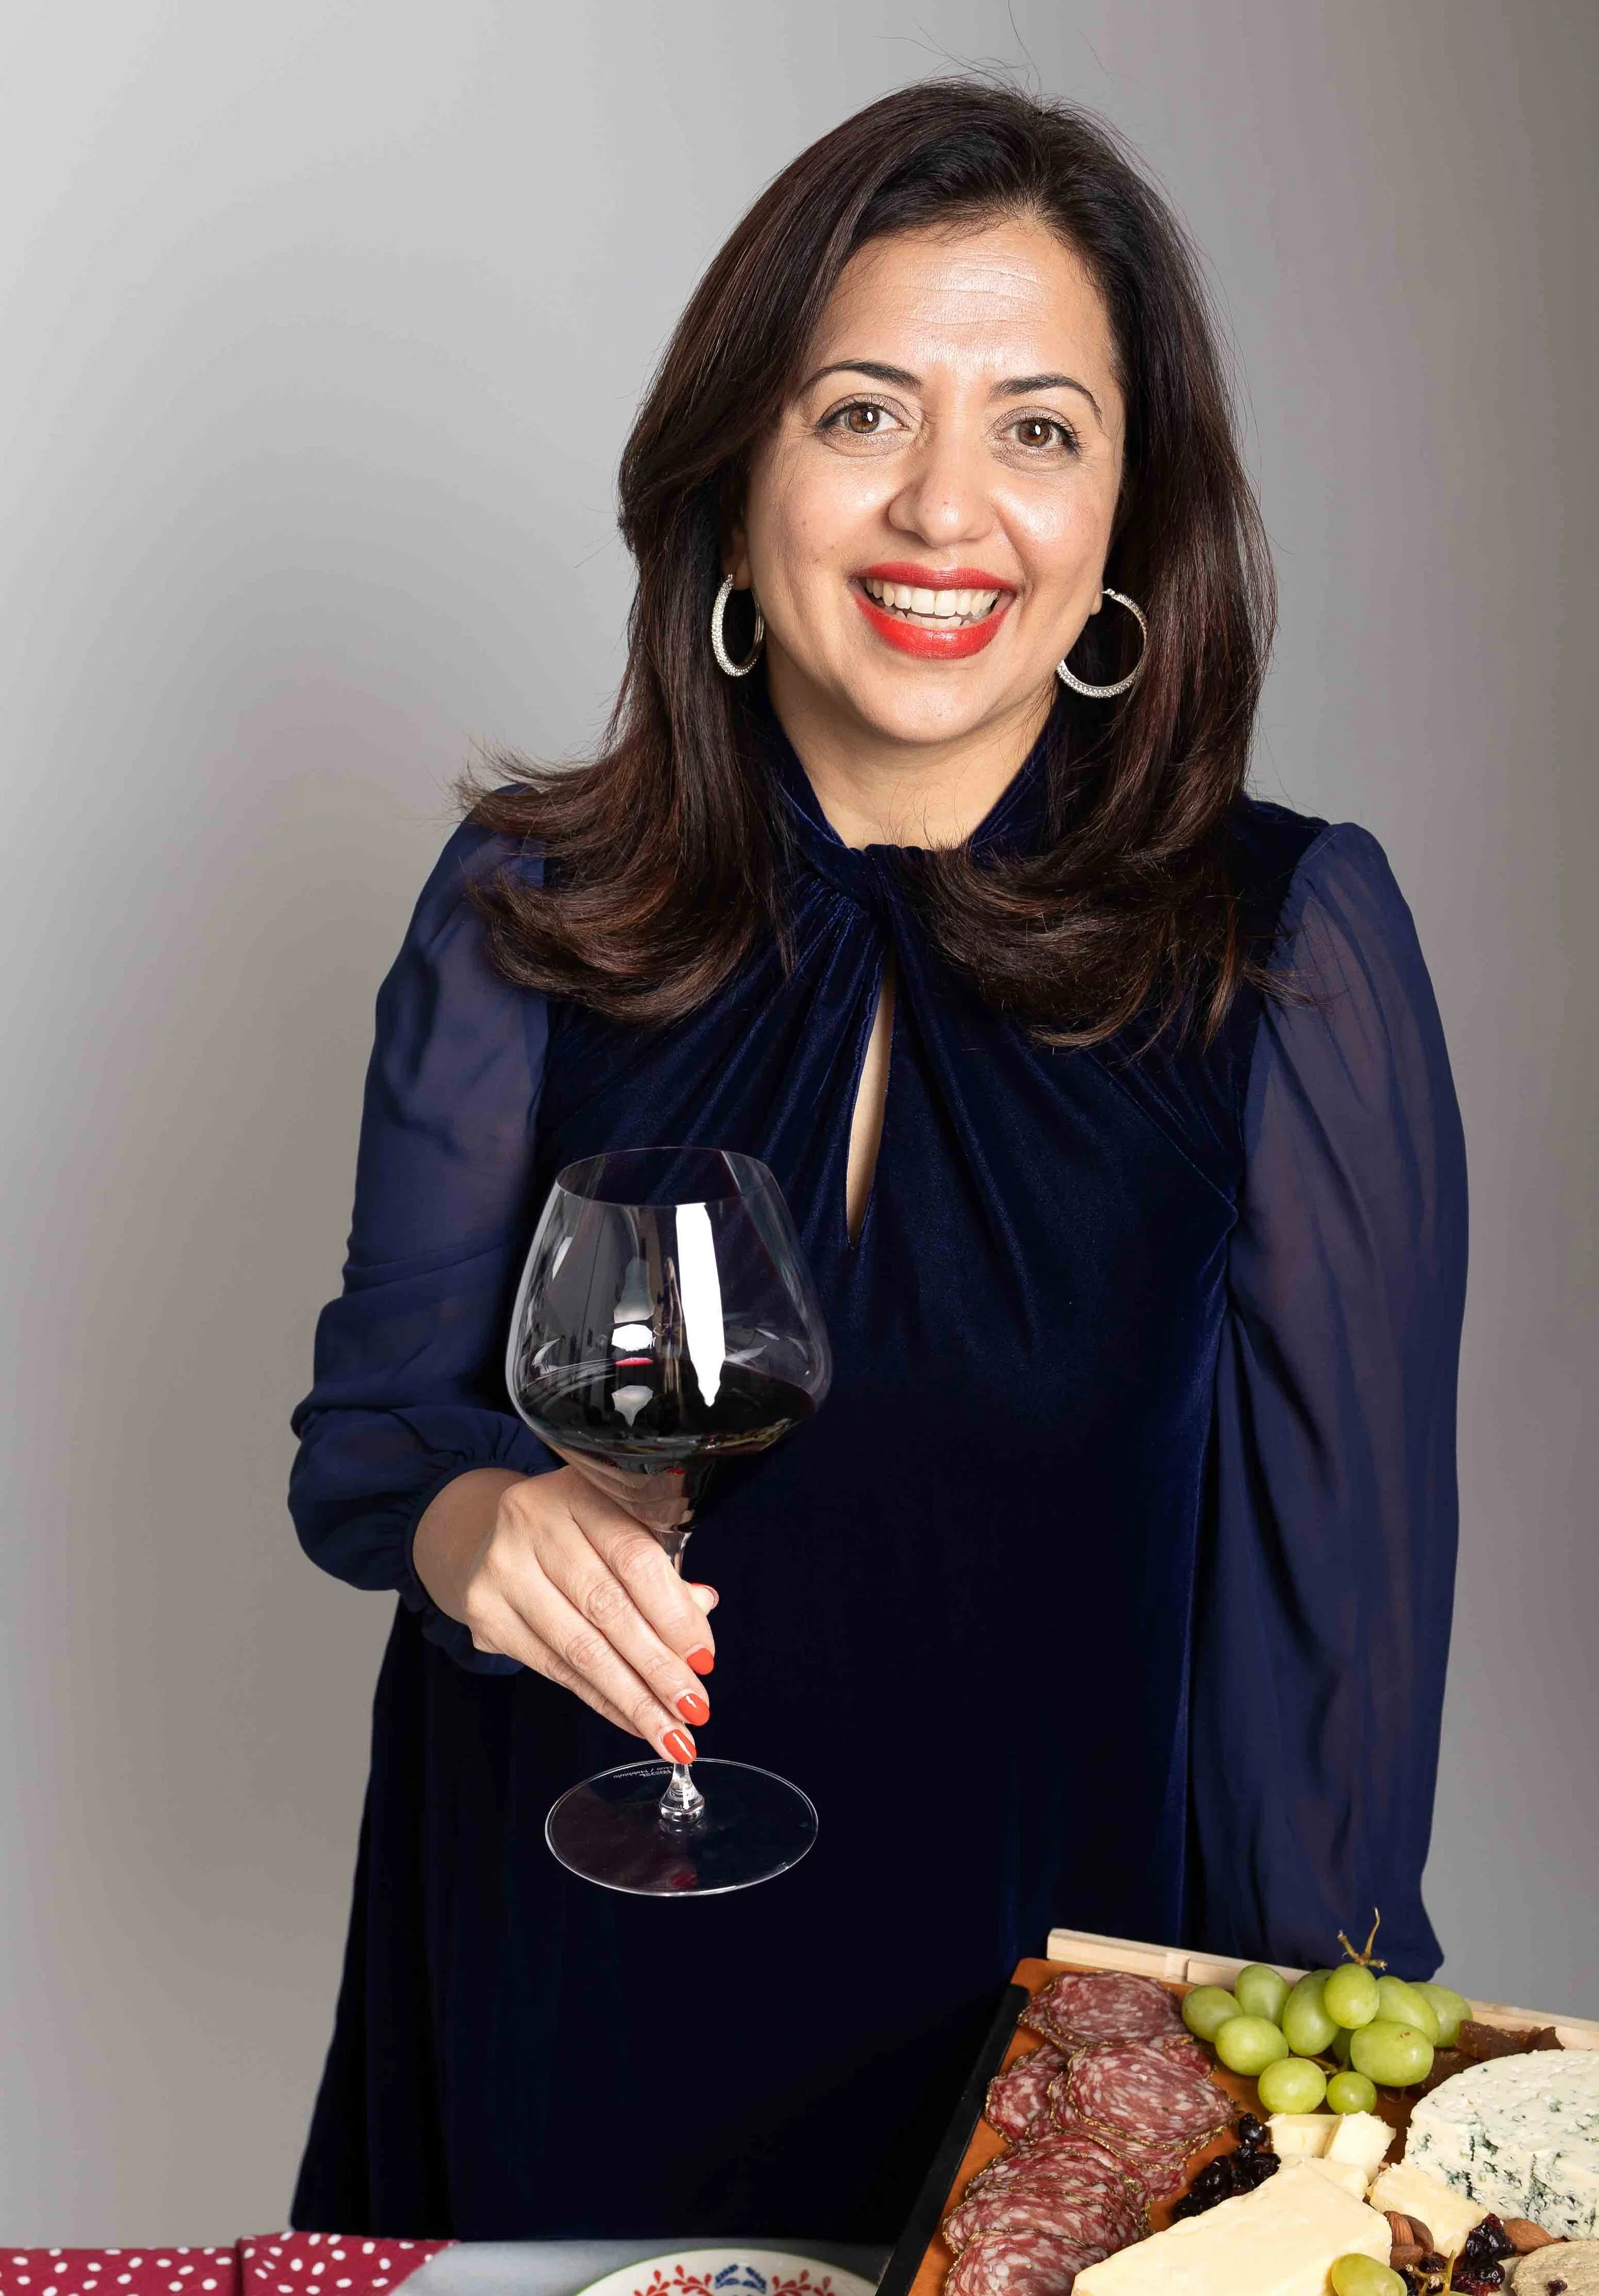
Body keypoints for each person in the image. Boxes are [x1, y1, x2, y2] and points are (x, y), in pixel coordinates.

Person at [287, 79, 1467, 2239]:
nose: (947, 510)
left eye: (1037, 428)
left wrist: (1308, 2153)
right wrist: (475, 1526)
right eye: (858, 414)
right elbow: (370, 1446)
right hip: (564, 2004)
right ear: (736, 482)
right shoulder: (522, 906)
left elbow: (1336, 1668)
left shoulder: (1282, 948)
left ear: (1128, 517)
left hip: (1038, 2095)